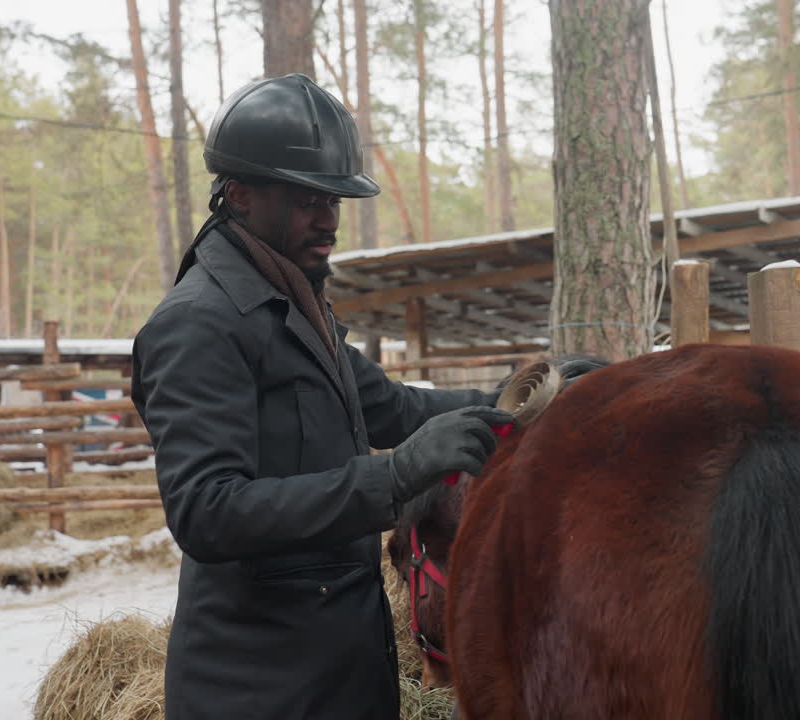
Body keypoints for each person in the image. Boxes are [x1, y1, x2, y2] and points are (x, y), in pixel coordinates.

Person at [130, 73, 516, 720]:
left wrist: (521, 395)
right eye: (309, 199)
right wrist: (394, 476)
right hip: (258, 690)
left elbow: (392, 407)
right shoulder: (198, 324)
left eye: (335, 200)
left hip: (338, 677)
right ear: (241, 195)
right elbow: (206, 510)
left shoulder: (294, 302)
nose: (329, 219)